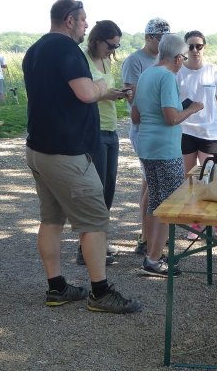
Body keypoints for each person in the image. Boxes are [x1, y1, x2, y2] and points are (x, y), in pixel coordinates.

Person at [22, 0, 141, 314]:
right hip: (66, 153)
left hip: (38, 149)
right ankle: (100, 293)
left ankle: (57, 288)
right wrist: (101, 85)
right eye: (84, 20)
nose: (87, 25)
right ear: (70, 20)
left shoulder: (34, 50)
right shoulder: (66, 50)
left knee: (51, 219)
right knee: (95, 222)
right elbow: (86, 93)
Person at [131, 34, 203, 277]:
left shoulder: (146, 74)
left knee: (155, 202)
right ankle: (153, 260)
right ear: (177, 57)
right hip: (165, 149)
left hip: (147, 146)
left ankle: (152, 252)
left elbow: (136, 117)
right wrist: (191, 108)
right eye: (182, 56)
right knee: (169, 206)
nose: (183, 60)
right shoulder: (167, 77)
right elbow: (171, 118)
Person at [75, 20, 131, 266]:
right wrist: (105, 94)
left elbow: (103, 90)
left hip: (110, 129)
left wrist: (116, 93)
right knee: (94, 191)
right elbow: (85, 94)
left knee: (108, 189)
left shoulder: (107, 61)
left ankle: (100, 243)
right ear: (97, 39)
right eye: (111, 45)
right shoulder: (82, 60)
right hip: (93, 130)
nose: (113, 51)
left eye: (117, 46)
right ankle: (84, 249)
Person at [176, 30, 217, 241]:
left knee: (213, 178)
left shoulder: (214, 70)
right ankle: (196, 222)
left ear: (204, 47)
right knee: (190, 179)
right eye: (190, 46)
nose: (194, 50)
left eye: (198, 46)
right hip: (185, 130)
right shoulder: (178, 72)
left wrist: (208, 116)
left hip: (209, 132)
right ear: (185, 49)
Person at [122, 17, 170, 256]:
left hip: (160, 128)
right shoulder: (135, 60)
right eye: (160, 38)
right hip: (144, 129)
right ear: (149, 37)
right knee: (153, 184)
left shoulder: (162, 60)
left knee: (147, 182)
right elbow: (132, 97)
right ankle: (146, 238)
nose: (163, 43)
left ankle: (147, 233)